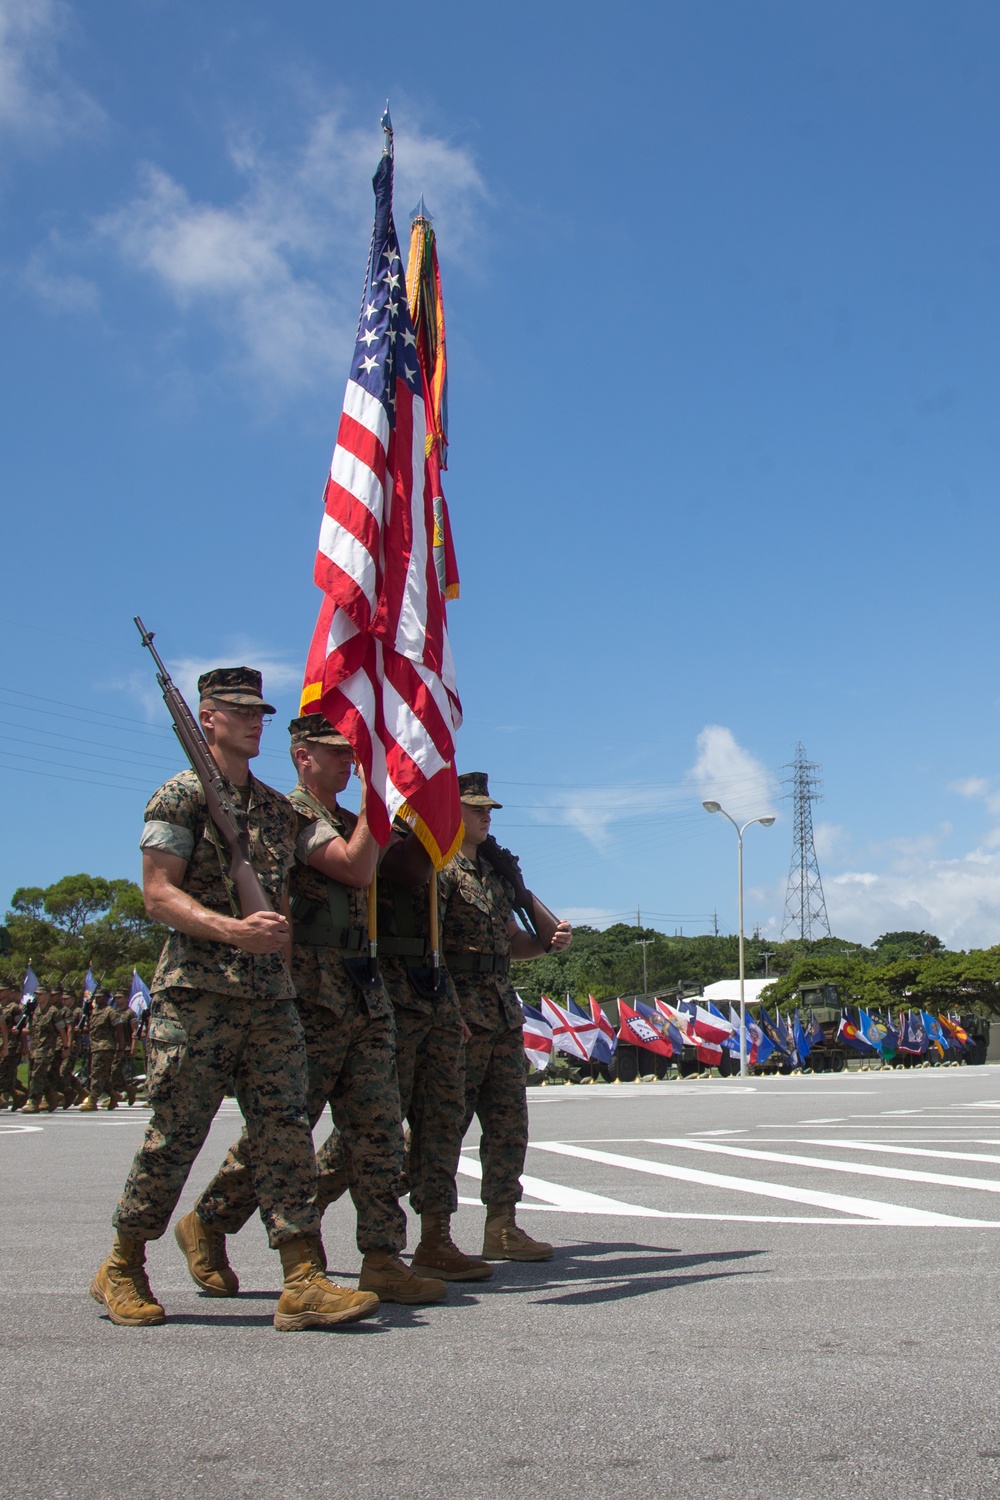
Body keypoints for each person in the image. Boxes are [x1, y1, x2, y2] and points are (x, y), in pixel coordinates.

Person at [89, 667, 376, 1332]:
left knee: (284, 1138)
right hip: (198, 996)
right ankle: (122, 1266)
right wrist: (233, 931)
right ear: (205, 718)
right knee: (175, 1137)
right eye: (236, 710)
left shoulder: (280, 810)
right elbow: (157, 893)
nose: (254, 721)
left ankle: (303, 1277)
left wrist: (386, 790)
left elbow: (355, 868)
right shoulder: (180, 797)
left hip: (271, 1001)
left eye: (260, 712)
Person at [180, 713, 445, 1307]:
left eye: (355, 755)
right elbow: (352, 867)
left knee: (378, 1131)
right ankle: (210, 1220)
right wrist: (380, 810)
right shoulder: (290, 814)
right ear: (302, 756)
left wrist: (408, 806)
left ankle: (382, 1257)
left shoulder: (350, 820)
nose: (350, 764)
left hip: (361, 985)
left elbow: (400, 869)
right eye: (337, 754)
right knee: (284, 1132)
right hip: (311, 992)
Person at [314, 821, 492, 1282]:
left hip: (431, 988)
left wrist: (451, 1009)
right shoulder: (375, 831)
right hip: (384, 989)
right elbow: (409, 869)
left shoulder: (433, 839)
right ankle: (298, 1207)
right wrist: (437, 818)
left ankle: (436, 1237)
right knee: (374, 1128)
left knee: (442, 1121)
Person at [439, 772, 572, 1261]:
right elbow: (427, 949)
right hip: (457, 1015)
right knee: (436, 1129)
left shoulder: (494, 876)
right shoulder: (437, 868)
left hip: (499, 1013)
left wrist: (545, 940)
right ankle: (433, 1232)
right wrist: (444, 1009)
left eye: (488, 809)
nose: (485, 815)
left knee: (507, 1126)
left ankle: (501, 1226)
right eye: (475, 807)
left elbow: (510, 944)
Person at [20, 989, 68, 1114]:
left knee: (37, 1076)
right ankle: (53, 1097)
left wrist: (66, 1047)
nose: (38, 997)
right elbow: (34, 1030)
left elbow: (62, 1030)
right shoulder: (36, 1011)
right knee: (39, 1075)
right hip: (35, 1049)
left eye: (41, 994)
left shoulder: (53, 1012)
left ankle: (34, 1101)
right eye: (36, 994)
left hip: (46, 1049)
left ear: (47, 996)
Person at [79, 990, 122, 1110]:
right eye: (96, 997)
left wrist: (121, 1047)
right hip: (94, 1047)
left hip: (105, 1047)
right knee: (101, 1075)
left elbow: (119, 1030)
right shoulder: (93, 1012)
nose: (97, 999)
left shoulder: (111, 1012)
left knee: (97, 1074)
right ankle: (113, 1095)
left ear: (107, 998)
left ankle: (92, 1100)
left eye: (100, 997)